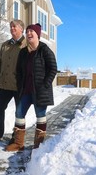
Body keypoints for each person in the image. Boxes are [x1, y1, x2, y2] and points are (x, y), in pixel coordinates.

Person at [5, 23, 57, 151]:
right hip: (26, 90)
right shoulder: (23, 52)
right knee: (19, 113)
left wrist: (45, 84)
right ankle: (18, 143)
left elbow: (53, 68)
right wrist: (19, 85)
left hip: (40, 91)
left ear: (37, 35)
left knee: (40, 115)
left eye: (31, 31)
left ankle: (38, 145)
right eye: (27, 32)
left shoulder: (44, 50)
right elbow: (19, 71)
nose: (28, 34)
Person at [0, 20, 27, 143]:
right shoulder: (5, 45)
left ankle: (16, 137)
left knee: (19, 112)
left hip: (20, 86)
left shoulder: (26, 45)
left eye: (14, 26)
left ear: (21, 29)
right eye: (11, 26)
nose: (12, 28)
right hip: (5, 84)